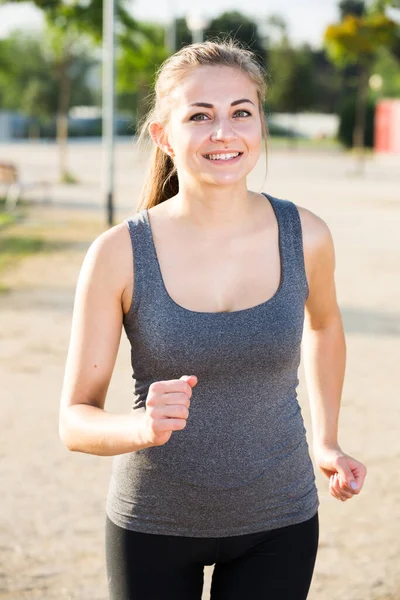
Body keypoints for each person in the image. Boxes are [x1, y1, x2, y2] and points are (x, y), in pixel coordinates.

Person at [59, 39, 367, 600]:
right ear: (164, 136)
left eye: (240, 113)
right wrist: (141, 429)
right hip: (152, 524)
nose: (223, 132)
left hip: (280, 518)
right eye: (199, 116)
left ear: (260, 124)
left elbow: (323, 325)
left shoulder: (307, 236)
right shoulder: (118, 254)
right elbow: (74, 421)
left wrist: (326, 442)